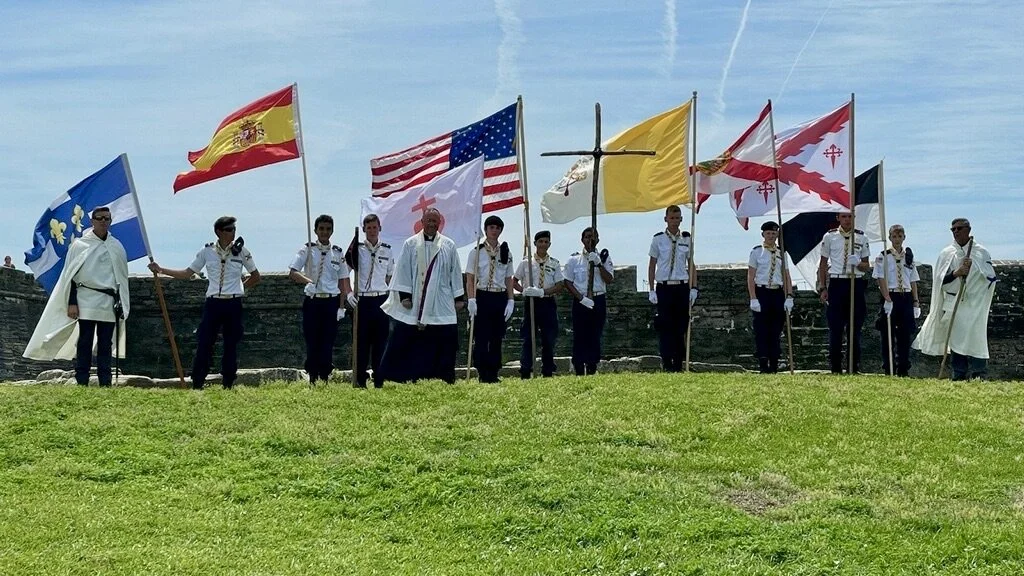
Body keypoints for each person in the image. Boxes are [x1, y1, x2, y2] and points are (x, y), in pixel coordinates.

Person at [148, 216, 261, 389]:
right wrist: (161, 269)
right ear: (219, 232)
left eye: (234, 230)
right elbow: (187, 273)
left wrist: (239, 288)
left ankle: (228, 383)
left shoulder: (242, 252)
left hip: (233, 303)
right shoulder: (207, 251)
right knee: (204, 342)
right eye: (229, 229)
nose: (233, 233)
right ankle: (198, 381)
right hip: (213, 303)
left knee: (231, 344)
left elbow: (255, 276)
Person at [24, 207, 130, 386]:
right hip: (85, 297)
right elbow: (70, 276)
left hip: (108, 301)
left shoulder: (116, 246)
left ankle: (106, 382)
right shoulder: (80, 245)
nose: (103, 221)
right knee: (85, 341)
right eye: (99, 218)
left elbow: (120, 276)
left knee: (105, 343)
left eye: (106, 218)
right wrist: (72, 302)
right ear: (92, 221)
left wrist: (120, 301)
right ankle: (82, 380)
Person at [379, 208, 465, 384]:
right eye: (429, 221)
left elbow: (455, 272)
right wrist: (405, 296)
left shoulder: (448, 245)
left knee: (445, 338)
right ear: (422, 222)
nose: (432, 224)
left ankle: (444, 377)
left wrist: (458, 298)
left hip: (441, 300)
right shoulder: (410, 244)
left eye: (435, 221)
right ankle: (402, 377)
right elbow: (403, 270)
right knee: (407, 340)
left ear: (439, 223)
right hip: (416, 299)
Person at [913, 218, 997, 380]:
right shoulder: (947, 253)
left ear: (968, 229)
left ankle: (978, 373)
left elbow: (990, 278)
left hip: (974, 303)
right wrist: (957, 273)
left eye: (959, 228)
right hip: (954, 302)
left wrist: (973, 270)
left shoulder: (981, 252)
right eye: (953, 230)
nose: (956, 232)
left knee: (975, 337)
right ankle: (959, 374)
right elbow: (939, 281)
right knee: (956, 338)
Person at [288, 214, 351, 386]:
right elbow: (293, 272)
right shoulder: (307, 249)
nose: (324, 232)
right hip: (313, 301)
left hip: (331, 302)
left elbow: (343, 280)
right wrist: (307, 280)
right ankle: (312, 375)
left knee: (328, 340)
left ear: (332, 231)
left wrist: (341, 307)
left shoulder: (337, 253)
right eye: (321, 229)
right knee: (312, 339)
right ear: (315, 230)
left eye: (328, 229)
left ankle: (325, 375)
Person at [816, 212, 871, 374]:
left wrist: (859, 263)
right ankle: (835, 367)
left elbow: (867, 265)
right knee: (836, 328)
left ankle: (853, 367)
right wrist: (822, 287)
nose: (847, 220)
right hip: (837, 283)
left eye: (850, 216)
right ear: (838, 218)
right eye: (844, 216)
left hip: (856, 282)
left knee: (855, 327)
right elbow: (823, 263)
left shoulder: (861, 237)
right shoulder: (830, 237)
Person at [647, 205, 699, 372]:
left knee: (681, 326)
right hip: (664, 287)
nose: (674, 221)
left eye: (677, 218)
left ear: (681, 219)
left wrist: (694, 288)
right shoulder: (658, 239)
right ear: (666, 219)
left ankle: (678, 362)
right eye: (672, 218)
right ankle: (667, 362)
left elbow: (691, 264)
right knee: (665, 326)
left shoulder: (686, 239)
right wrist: (651, 289)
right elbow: (652, 265)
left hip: (681, 287)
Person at [345, 214, 394, 388]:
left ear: (379, 229)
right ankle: (360, 380)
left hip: (381, 300)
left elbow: (390, 276)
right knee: (361, 343)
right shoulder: (357, 250)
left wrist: (391, 298)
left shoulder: (387, 250)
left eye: (375, 227)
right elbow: (344, 273)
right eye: (369, 228)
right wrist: (349, 294)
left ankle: (379, 380)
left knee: (381, 342)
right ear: (364, 229)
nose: (372, 231)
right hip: (363, 301)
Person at [466, 215, 515, 383]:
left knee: (496, 336)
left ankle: (494, 372)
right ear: (486, 230)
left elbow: (509, 278)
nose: (494, 231)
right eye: (491, 227)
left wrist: (511, 300)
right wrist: (471, 299)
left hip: (499, 295)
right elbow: (470, 278)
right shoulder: (476, 252)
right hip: (482, 295)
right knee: (481, 337)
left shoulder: (506, 252)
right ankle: (482, 372)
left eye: (497, 228)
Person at [563, 226, 614, 376]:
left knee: (595, 334)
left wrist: (598, 264)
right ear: (582, 239)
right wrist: (581, 298)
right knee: (580, 335)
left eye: (593, 237)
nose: (590, 240)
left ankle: (592, 366)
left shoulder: (604, 258)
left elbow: (609, 279)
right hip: (581, 299)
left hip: (598, 298)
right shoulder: (574, 259)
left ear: (598, 239)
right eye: (587, 237)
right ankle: (579, 367)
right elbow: (567, 282)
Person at [872, 224, 921, 377]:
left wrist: (915, 301)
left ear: (904, 237)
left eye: (900, 236)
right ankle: (889, 367)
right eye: (894, 236)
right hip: (891, 296)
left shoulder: (909, 257)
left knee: (905, 335)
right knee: (887, 335)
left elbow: (913, 280)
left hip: (905, 296)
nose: (897, 239)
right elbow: (880, 278)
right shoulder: (883, 256)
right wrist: (886, 298)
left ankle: (903, 368)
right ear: (890, 238)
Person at [746, 221, 794, 374]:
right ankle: (763, 363)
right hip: (762, 293)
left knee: (775, 330)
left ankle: (774, 363)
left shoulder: (782, 253)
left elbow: (786, 275)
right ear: (763, 235)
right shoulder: (756, 252)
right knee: (761, 330)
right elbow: (751, 276)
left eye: (774, 233)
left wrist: (789, 295)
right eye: (768, 233)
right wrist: (753, 298)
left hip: (777, 293)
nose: (771, 236)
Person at [514, 230, 562, 379]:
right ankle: (525, 370)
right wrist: (524, 291)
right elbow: (513, 281)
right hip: (531, 303)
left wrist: (543, 292)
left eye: (546, 242)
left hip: (547, 302)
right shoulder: (526, 262)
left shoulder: (554, 263)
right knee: (529, 337)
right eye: (540, 241)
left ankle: (547, 370)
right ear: (535, 243)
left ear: (549, 244)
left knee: (548, 338)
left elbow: (560, 285)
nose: (543, 244)